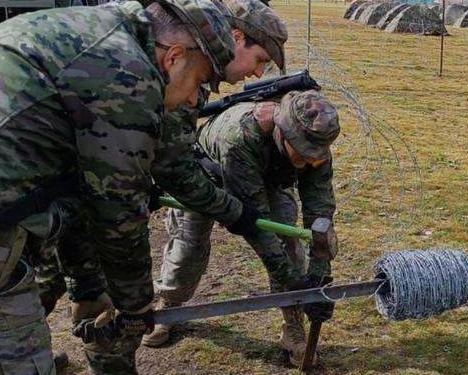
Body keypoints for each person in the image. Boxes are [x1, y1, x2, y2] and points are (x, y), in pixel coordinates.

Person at [0, 0, 265, 375]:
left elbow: (81, 194)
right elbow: (118, 214)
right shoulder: (126, 73)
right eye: (200, 82)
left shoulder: (95, 32)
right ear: (173, 57)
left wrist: (87, 287)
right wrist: (136, 306)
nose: (193, 99)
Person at [144, 90, 340, 368]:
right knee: (188, 247)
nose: (311, 160)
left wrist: (318, 280)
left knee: (289, 241)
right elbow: (257, 229)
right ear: (283, 133)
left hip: (267, 180)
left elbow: (320, 217)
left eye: (316, 156)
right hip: (207, 179)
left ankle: (292, 325)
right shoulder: (241, 136)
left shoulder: (317, 146)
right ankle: (170, 306)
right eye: (304, 153)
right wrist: (295, 281)